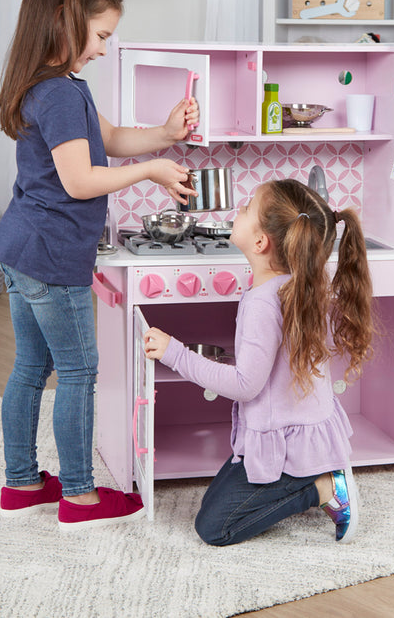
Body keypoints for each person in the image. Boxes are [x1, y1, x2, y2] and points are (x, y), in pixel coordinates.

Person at [0, 0, 199, 531]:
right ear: (65, 19)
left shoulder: (56, 87)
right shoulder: (58, 95)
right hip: (53, 256)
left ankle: (22, 481)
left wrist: (163, 132)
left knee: (31, 366)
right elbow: (81, 180)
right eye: (102, 34)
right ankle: (79, 496)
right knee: (79, 369)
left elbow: (108, 139)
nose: (105, 48)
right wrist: (155, 168)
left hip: (21, 249)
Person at [144, 178, 374, 545]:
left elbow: (244, 385)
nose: (239, 209)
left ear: (260, 242)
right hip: (298, 431)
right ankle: (312, 474)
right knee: (218, 500)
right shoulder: (297, 284)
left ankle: (323, 487)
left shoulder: (264, 302)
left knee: (214, 527)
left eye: (248, 207)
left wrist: (175, 354)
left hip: (286, 443)